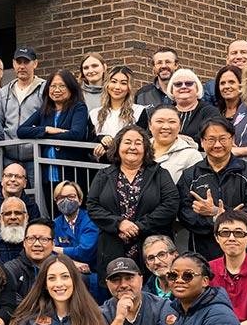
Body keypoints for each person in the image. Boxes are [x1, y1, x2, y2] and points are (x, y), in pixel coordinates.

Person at [86, 125, 179, 275]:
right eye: (127, 142)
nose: (132, 147)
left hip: (151, 248)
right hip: (113, 246)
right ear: (118, 146)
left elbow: (170, 205)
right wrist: (119, 223)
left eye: (138, 143)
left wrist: (138, 227)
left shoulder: (160, 174)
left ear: (146, 148)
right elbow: (92, 206)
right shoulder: (104, 174)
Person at [178, 118, 247, 259]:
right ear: (202, 142)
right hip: (204, 254)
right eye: (211, 139)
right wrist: (215, 220)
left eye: (223, 139)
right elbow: (185, 213)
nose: (217, 145)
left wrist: (218, 213)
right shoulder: (190, 175)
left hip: (246, 253)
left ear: (232, 139)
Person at [18, 69, 91, 185]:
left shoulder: (79, 107)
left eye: (62, 86)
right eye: (53, 86)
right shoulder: (45, 110)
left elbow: (76, 134)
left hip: (72, 172)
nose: (57, 90)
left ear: (71, 89)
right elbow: (21, 131)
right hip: (48, 173)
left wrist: (43, 137)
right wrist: (47, 129)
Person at [0, 47, 45, 171]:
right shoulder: (4, 91)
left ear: (35, 64)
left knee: (38, 190)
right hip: (8, 158)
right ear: (13, 64)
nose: (22, 66)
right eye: (18, 62)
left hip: (36, 157)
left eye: (26, 62)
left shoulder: (45, 88)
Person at [89, 65, 145, 160]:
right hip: (101, 169)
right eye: (113, 82)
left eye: (123, 83)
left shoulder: (139, 111)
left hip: (129, 166)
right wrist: (101, 139)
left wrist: (111, 143)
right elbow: (89, 143)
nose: (117, 87)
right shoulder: (94, 114)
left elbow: (142, 141)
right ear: (107, 84)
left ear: (129, 87)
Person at [147, 105, 203, 183]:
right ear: (150, 125)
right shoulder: (139, 150)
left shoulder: (191, 155)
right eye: (159, 121)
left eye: (172, 122)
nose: (166, 127)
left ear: (180, 126)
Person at [52, 180, 98, 274]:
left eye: (71, 197)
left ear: (80, 200)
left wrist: (56, 249)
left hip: (91, 274)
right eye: (61, 197)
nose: (66, 200)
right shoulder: (55, 224)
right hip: (65, 271)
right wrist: (73, 263)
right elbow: (50, 255)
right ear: (56, 202)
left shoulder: (90, 220)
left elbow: (84, 252)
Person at [0, 163, 41, 235]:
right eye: (9, 176)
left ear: (25, 183)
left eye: (18, 177)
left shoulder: (32, 207)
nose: (13, 179)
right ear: (2, 181)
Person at [168, 68, 222, 143]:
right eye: (178, 84)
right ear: (171, 90)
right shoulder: (163, 112)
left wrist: (173, 138)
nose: (183, 87)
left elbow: (209, 138)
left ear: (197, 88)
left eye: (189, 83)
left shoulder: (210, 112)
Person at [203, 40, 247, 105]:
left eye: (243, 52)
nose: (239, 57)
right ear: (227, 59)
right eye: (234, 53)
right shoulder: (211, 88)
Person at [0, 198, 29, 267]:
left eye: (18, 213)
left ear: (26, 217)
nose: (13, 217)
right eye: (7, 214)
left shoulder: (34, 245)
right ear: (0, 218)